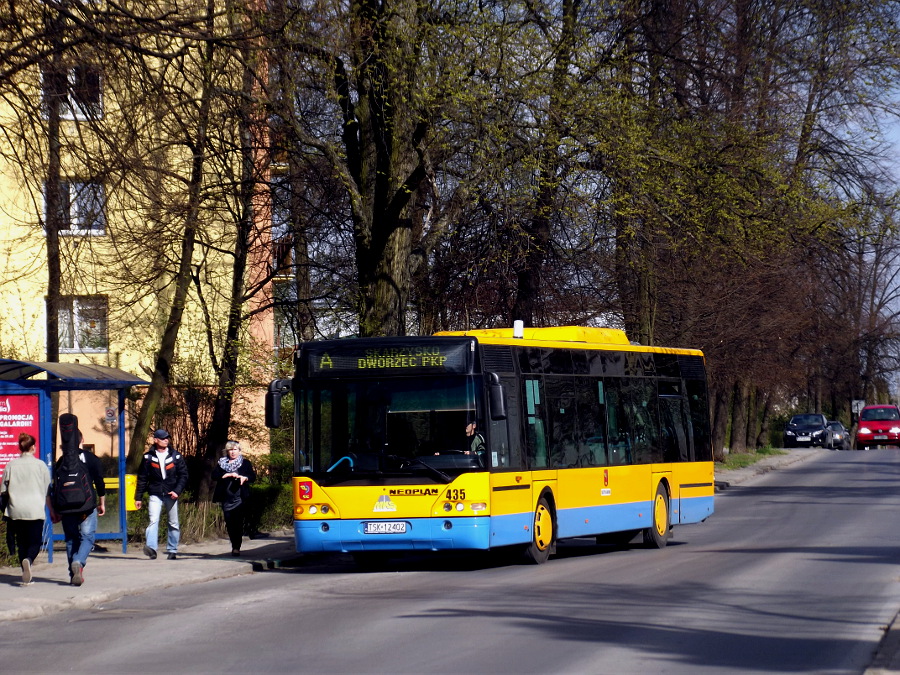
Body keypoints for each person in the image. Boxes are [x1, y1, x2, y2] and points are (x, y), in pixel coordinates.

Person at [54, 415, 106, 587]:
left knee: (70, 539)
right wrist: (102, 502)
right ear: (82, 439)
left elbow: (56, 484)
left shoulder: (61, 461)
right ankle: (79, 562)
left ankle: (72, 574)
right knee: (88, 537)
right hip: (86, 505)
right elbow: (99, 481)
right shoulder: (90, 458)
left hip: (66, 507)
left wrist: (56, 508)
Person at [0, 433, 52, 585]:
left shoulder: (11, 465)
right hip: (34, 510)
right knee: (35, 542)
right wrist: (52, 509)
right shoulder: (41, 466)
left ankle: (25, 573)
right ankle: (28, 560)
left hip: (16, 510)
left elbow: (3, 489)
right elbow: (47, 490)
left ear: (20, 448)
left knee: (21, 542)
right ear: (33, 447)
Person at [135, 429, 188, 560]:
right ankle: (152, 549)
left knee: (173, 523)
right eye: (163, 438)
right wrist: (138, 497)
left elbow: (184, 475)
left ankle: (172, 550)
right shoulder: (148, 457)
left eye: (167, 438)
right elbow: (142, 477)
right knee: (153, 521)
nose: (166, 440)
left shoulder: (176, 456)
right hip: (155, 493)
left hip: (171, 494)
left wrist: (177, 490)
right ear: (155, 440)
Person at [212, 440, 256, 557]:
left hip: (240, 498)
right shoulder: (222, 463)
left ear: (239, 451)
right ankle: (234, 544)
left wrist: (244, 477)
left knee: (238, 523)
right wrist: (224, 475)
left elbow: (252, 477)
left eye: (235, 449)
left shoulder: (245, 463)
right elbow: (214, 475)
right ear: (227, 451)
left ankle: (236, 547)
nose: (232, 452)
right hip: (226, 498)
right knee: (230, 524)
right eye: (230, 450)